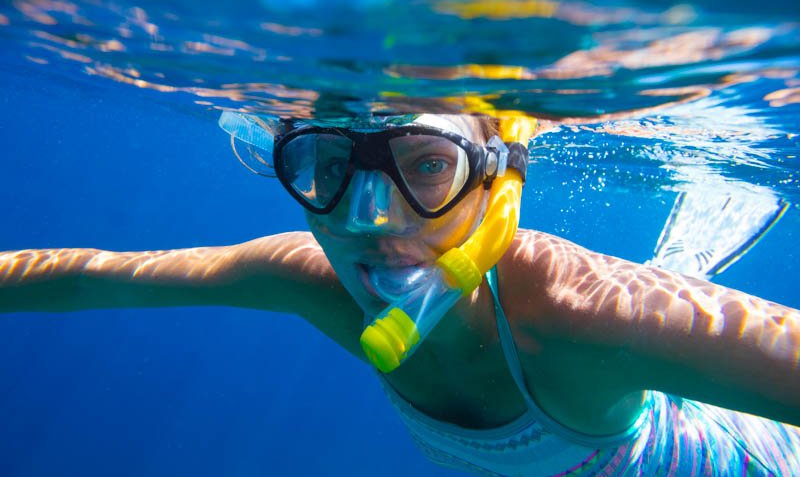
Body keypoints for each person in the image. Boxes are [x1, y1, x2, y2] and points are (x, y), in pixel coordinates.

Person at [1, 113, 799, 476]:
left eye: (426, 164)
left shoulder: (574, 313)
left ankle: (686, 267)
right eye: (325, 163)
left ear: (498, 184)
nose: (367, 218)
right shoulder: (311, 280)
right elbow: (95, 273)